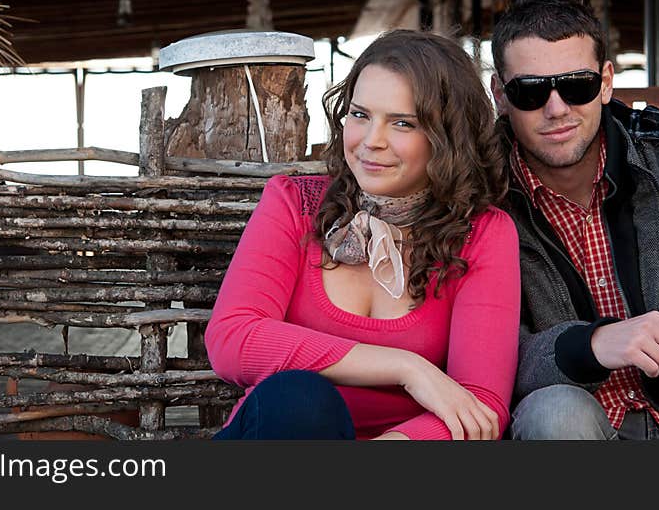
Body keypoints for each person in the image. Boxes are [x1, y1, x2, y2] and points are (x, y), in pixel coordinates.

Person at [204, 29, 520, 440]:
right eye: (360, 115)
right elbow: (232, 338)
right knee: (300, 400)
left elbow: (480, 406)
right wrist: (407, 368)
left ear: (449, 137)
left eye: (403, 123)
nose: (372, 142)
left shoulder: (482, 233)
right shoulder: (294, 205)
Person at [490, 0, 659, 440]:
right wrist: (590, 344)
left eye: (576, 85)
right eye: (530, 92)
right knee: (556, 413)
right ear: (500, 96)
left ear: (604, 83)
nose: (556, 109)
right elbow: (486, 360)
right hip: (584, 428)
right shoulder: (481, 198)